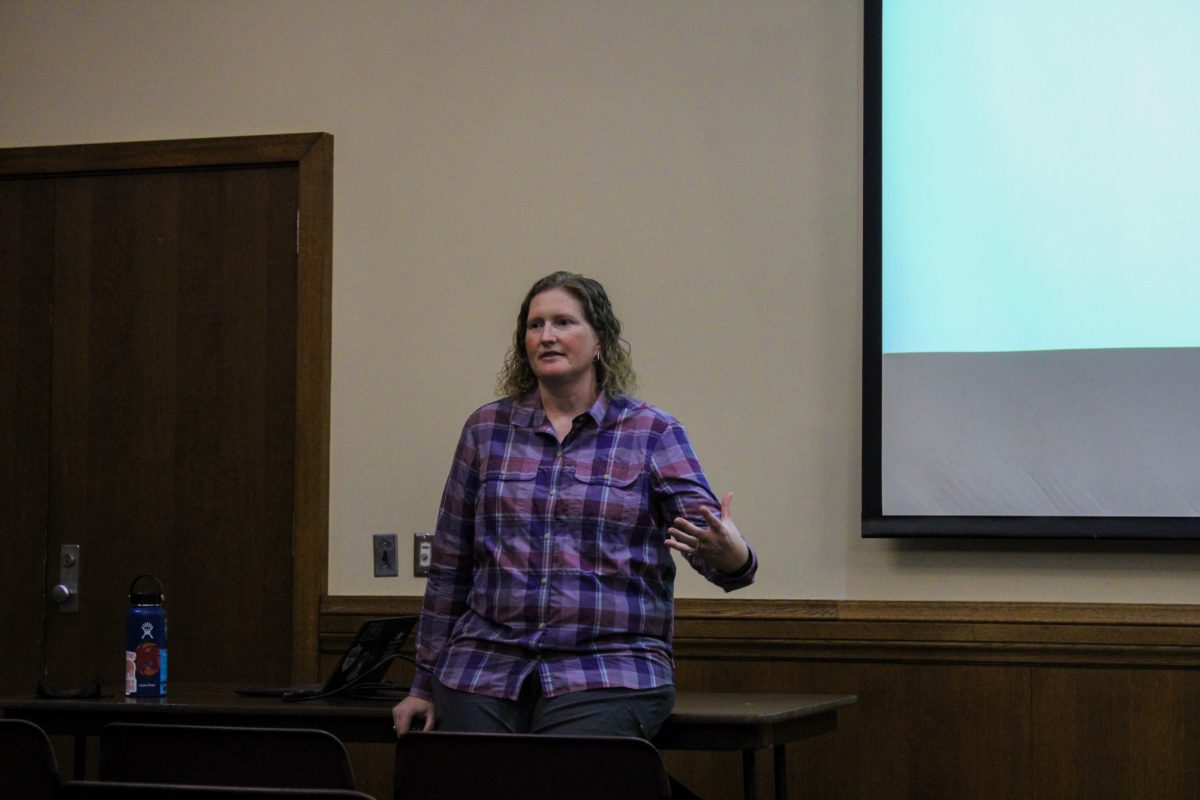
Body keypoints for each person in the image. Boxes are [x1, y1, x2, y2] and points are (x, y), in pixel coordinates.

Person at [392, 270, 757, 745]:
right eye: (535, 324)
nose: (546, 336)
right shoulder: (486, 430)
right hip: (484, 666)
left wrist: (733, 556)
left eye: (563, 322)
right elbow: (449, 566)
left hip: (608, 669)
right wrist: (422, 684)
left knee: (563, 776)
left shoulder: (651, 432)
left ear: (600, 341)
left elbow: (715, 548)